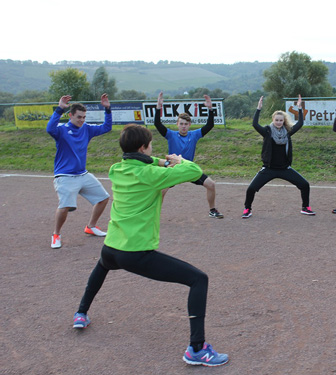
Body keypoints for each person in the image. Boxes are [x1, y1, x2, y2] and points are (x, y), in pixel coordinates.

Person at [72, 124, 229, 366]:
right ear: (143, 147)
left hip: (112, 245)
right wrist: (179, 160)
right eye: (150, 145)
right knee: (199, 279)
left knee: (102, 266)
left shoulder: (116, 169)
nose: (152, 149)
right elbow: (194, 170)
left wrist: (162, 162)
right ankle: (197, 349)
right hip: (135, 253)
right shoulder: (151, 175)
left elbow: (145, 162)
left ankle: (81, 313)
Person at [46, 94, 112, 249]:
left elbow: (106, 127)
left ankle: (91, 226)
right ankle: (56, 235)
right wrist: (59, 108)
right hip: (65, 176)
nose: (82, 120)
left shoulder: (87, 129)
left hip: (82, 174)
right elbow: (49, 128)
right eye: (79, 117)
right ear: (70, 115)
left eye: (84, 117)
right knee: (65, 206)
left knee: (103, 198)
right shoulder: (61, 130)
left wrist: (107, 109)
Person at [241, 95, 315, 218]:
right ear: (273, 120)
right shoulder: (267, 132)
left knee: (304, 185)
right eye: (277, 120)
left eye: (281, 120)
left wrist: (300, 108)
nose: (279, 122)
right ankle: (247, 209)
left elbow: (300, 123)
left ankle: (305, 207)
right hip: (269, 169)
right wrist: (258, 108)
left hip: (284, 168)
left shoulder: (288, 132)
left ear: (284, 121)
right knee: (251, 188)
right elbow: (255, 124)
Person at [154, 92, 223, 218]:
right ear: (177, 124)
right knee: (161, 190)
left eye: (186, 124)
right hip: (173, 169)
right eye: (181, 124)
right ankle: (154, 214)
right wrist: (158, 107)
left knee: (211, 185)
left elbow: (210, 125)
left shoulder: (194, 134)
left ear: (189, 125)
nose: (183, 126)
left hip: (188, 168)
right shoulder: (170, 135)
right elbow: (158, 124)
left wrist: (210, 109)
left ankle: (212, 210)